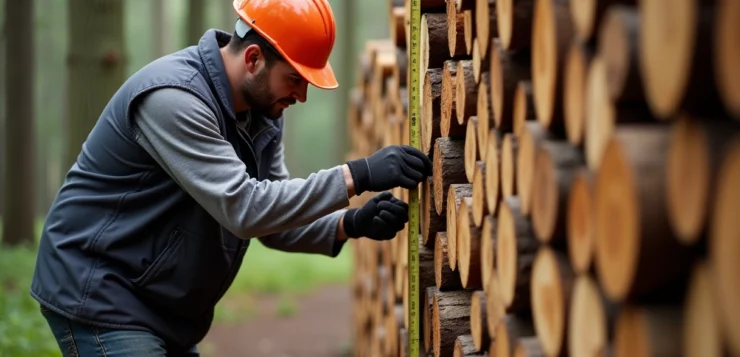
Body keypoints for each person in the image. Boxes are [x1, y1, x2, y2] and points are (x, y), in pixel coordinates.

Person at [29, 0, 432, 355]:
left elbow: (271, 223)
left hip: (162, 306)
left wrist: (349, 223)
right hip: (100, 290)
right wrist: (356, 175)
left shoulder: (263, 113)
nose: (302, 96)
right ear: (254, 58)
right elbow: (245, 208)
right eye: (295, 79)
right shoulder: (174, 99)